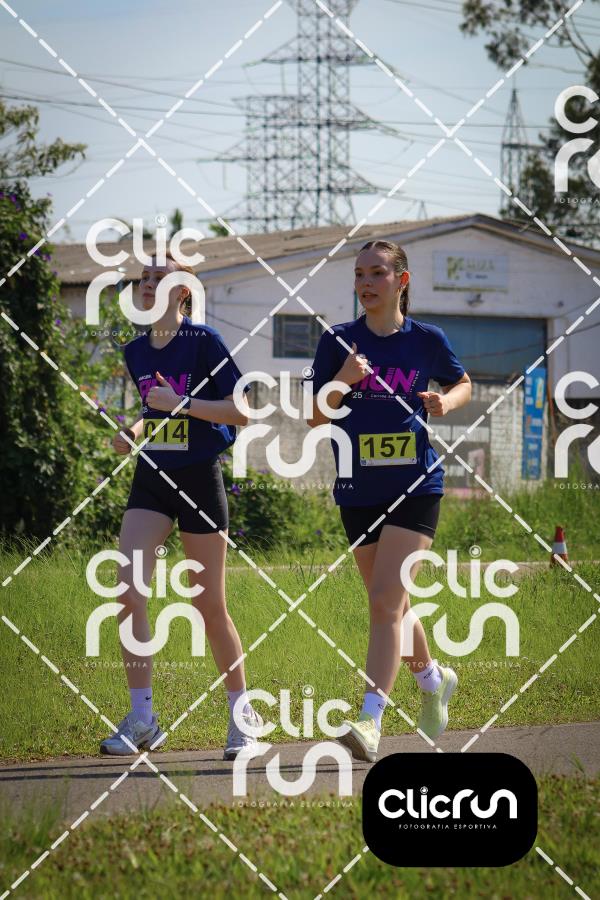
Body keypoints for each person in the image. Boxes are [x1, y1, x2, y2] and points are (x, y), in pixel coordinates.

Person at [305, 240, 471, 762]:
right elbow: (314, 416)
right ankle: (433, 680)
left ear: (401, 280)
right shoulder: (337, 341)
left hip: (416, 485)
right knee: (392, 605)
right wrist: (342, 379)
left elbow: (463, 382)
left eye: (377, 273)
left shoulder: (426, 340)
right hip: (357, 489)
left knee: (383, 601)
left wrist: (446, 400)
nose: (365, 283)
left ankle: (369, 720)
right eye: (359, 274)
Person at [100, 251, 262, 759]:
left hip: (198, 478)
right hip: (153, 477)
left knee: (208, 605)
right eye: (144, 277)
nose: (148, 283)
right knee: (128, 591)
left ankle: (243, 718)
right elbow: (155, 410)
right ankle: (142, 718)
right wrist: (136, 429)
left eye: (160, 277)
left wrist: (183, 405)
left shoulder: (204, 342)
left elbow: (242, 411)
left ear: (184, 292)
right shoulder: (136, 350)